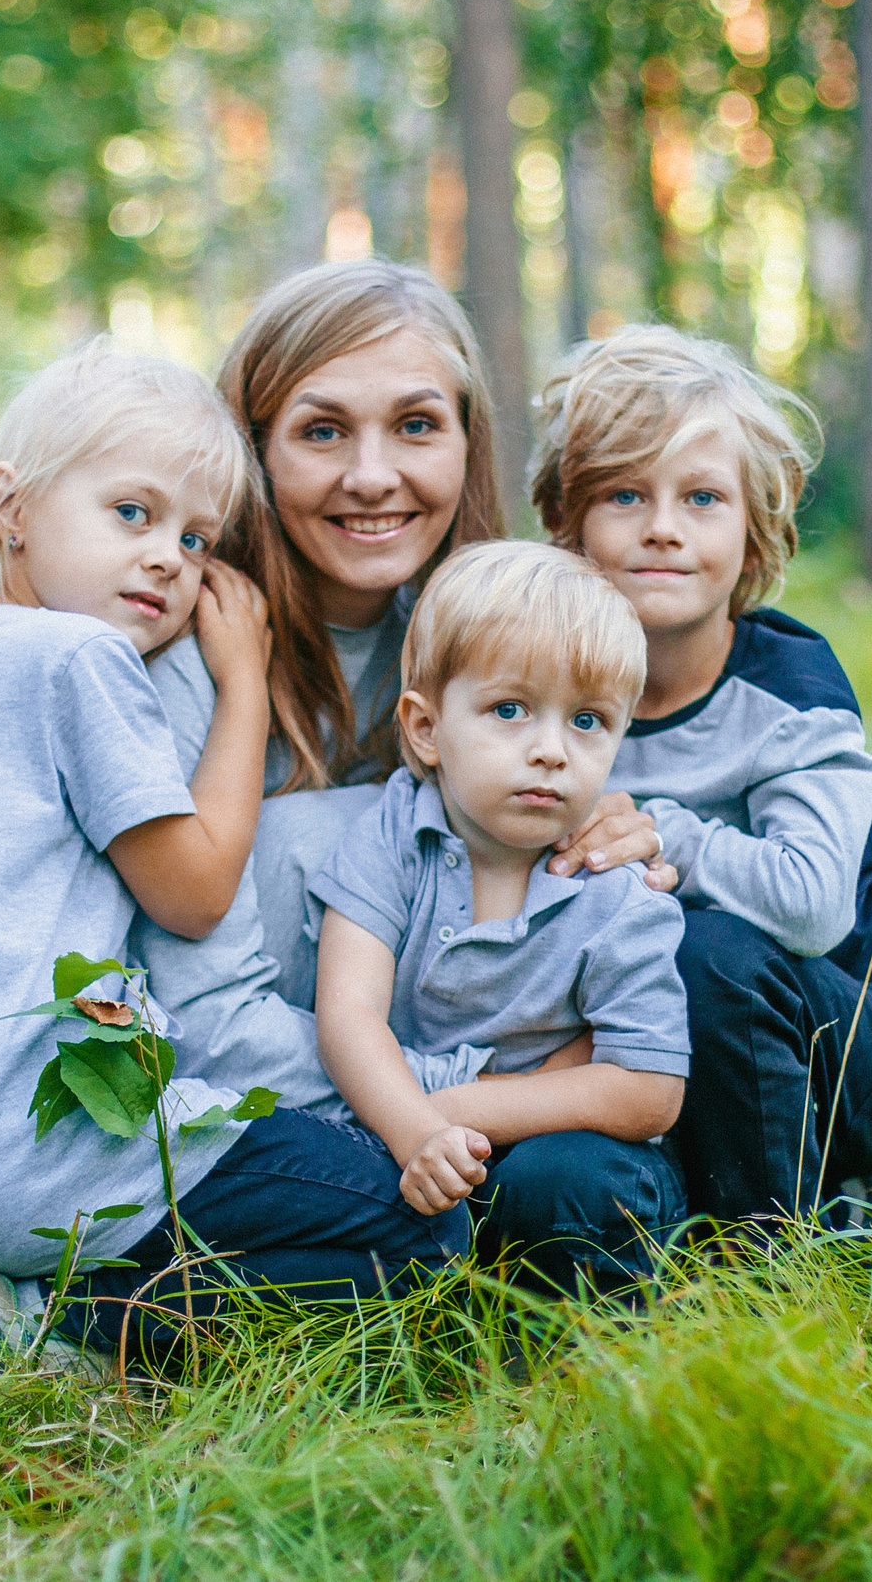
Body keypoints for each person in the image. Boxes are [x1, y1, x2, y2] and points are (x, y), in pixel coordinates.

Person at [0, 339, 461, 1373]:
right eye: (131, 515)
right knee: (421, 1230)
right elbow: (191, 889)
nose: (168, 559)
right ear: (11, 507)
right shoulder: (77, 658)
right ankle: (59, 1326)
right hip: (65, 1149)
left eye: (193, 536)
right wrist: (240, 684)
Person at [135, 261, 668, 1108]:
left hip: (434, 1102)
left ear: (467, 440)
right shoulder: (186, 651)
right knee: (307, 834)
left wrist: (588, 836)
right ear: (254, 451)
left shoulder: (494, 649)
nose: (374, 475)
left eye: (416, 425)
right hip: (255, 1101)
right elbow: (204, 1025)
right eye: (322, 432)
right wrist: (480, 1090)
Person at [530, 324, 872, 1233]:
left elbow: (812, 908)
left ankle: (786, 1240)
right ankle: (678, 1209)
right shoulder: (547, 690)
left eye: (701, 497)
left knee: (702, 951)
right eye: (624, 494)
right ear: (568, 523)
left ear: (755, 524)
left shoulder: (788, 692)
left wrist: (668, 833)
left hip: (856, 1049)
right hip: (670, 1060)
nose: (662, 527)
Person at [311, 544, 691, 1297]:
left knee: (572, 1185)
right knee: (320, 1164)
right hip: (419, 1139)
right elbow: (349, 1012)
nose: (550, 750)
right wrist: (415, 1132)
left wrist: (454, 1112)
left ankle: (566, 1352)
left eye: (587, 720)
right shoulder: (395, 836)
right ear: (426, 728)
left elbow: (650, 1086)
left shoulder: (615, 888)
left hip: (559, 1150)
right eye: (509, 710)